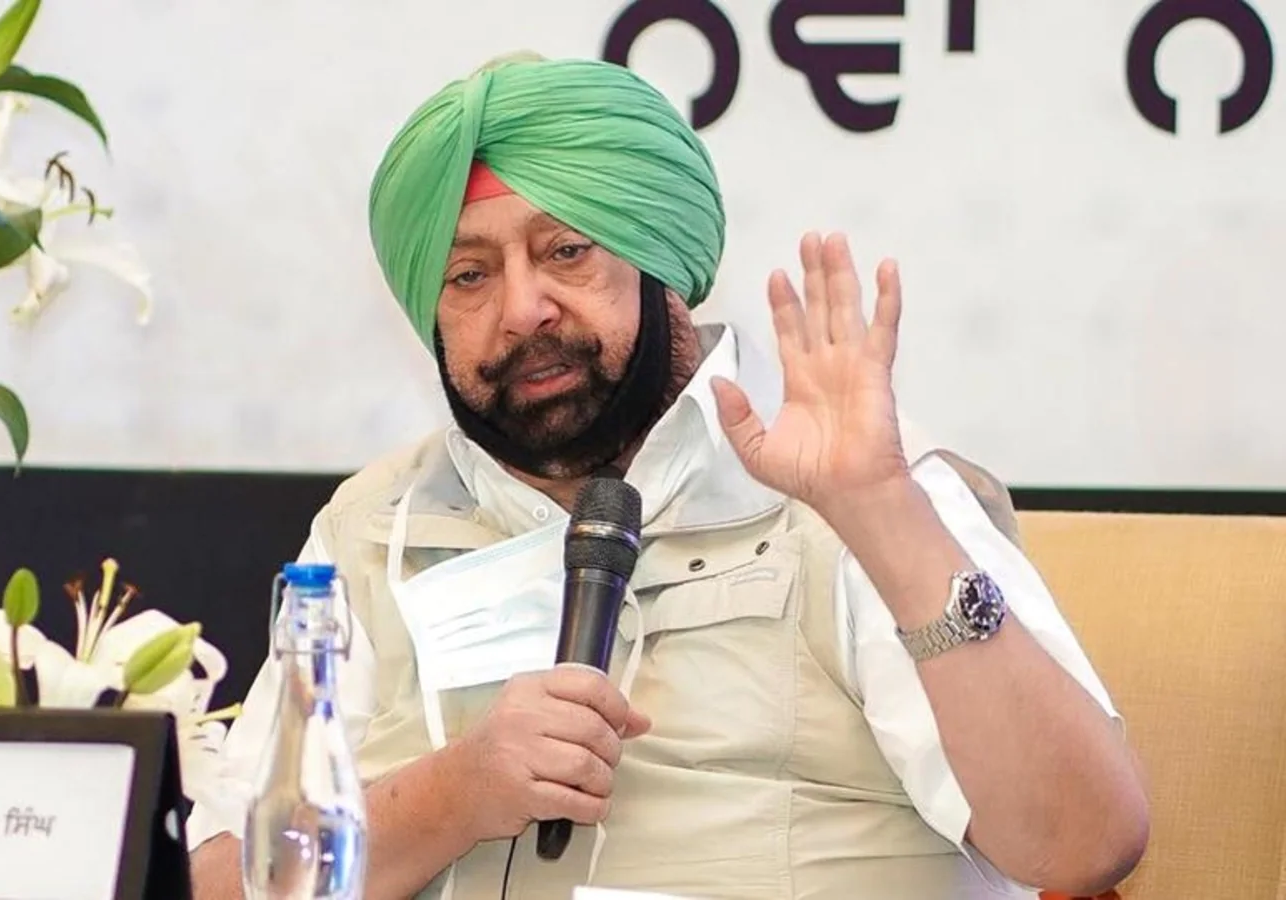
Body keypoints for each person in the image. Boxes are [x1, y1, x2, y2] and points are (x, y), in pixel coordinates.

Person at [188, 53, 1148, 900]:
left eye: (567, 251)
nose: (522, 309)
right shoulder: (373, 527)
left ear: (663, 264)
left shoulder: (849, 492)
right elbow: (217, 884)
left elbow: (1085, 844)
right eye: (468, 275)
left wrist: (884, 517)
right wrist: (456, 793)